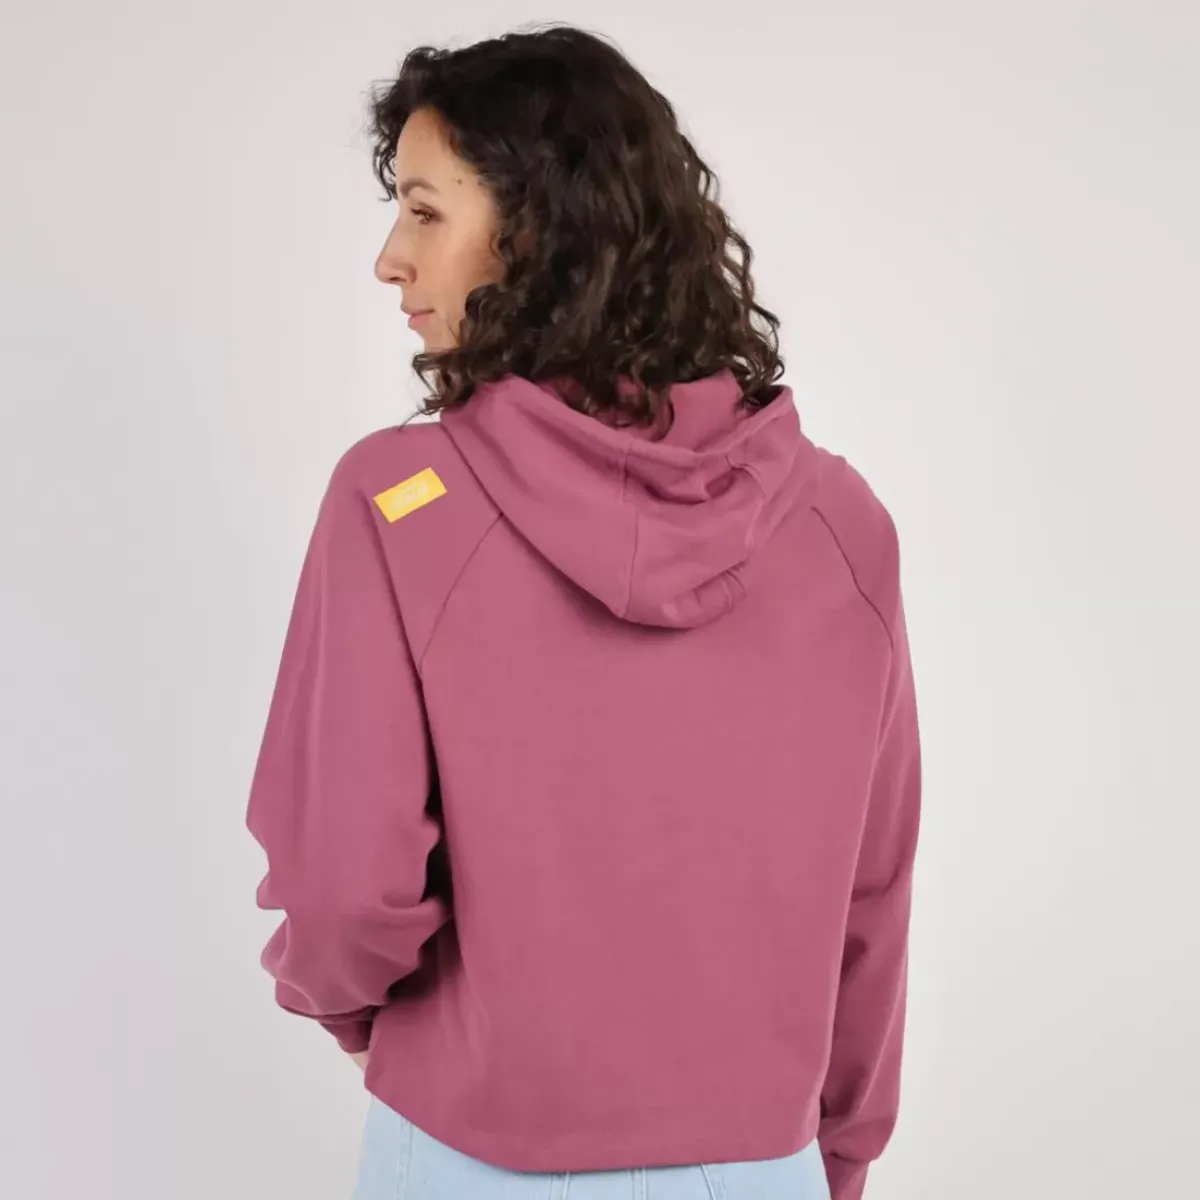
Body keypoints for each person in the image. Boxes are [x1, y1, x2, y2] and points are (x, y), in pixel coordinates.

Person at [245, 23, 921, 1200]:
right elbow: (874, 891)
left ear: (537, 226)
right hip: (764, 1166)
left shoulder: (400, 502)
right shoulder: (841, 523)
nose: (391, 260)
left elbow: (346, 890)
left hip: (474, 1152)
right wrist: (838, 1154)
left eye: (425, 212)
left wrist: (368, 1021)